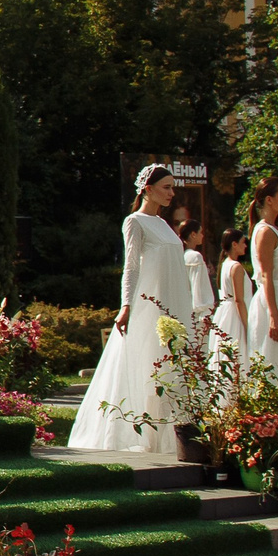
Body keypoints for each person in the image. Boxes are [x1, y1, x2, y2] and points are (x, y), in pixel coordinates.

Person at [70, 166, 191, 452]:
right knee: (149, 365)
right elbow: (132, 267)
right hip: (150, 307)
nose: (172, 193)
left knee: (173, 367)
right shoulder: (134, 222)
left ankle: (172, 435)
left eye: (173, 187)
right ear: (147, 188)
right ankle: (145, 436)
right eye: (166, 187)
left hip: (174, 305)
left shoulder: (164, 224)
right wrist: (126, 305)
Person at [245, 178, 278, 381]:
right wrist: (274, 315)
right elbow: (266, 275)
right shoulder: (265, 231)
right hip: (272, 300)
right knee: (270, 360)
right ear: (269, 200)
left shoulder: (274, 231)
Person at [210, 226, 252, 365]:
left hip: (225, 314)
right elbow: (239, 300)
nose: (245, 246)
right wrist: (247, 326)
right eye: (243, 242)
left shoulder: (225, 265)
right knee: (238, 354)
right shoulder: (236, 267)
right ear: (234, 244)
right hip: (235, 315)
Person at [180, 219, 217, 322]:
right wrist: (205, 312)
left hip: (185, 311)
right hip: (198, 316)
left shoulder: (182, 256)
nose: (202, 235)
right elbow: (199, 287)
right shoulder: (195, 256)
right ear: (193, 234)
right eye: (200, 232)